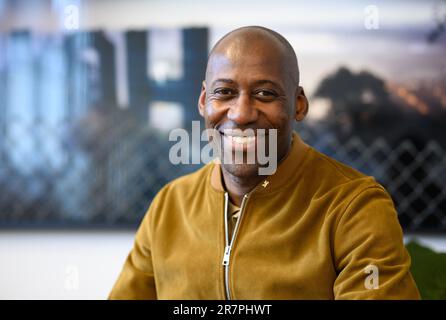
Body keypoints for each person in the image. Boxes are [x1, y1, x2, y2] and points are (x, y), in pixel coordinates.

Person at [109, 26, 420, 299]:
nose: (241, 113)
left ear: (298, 105)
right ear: (204, 102)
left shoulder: (354, 207)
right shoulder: (169, 206)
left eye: (265, 93)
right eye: (225, 92)